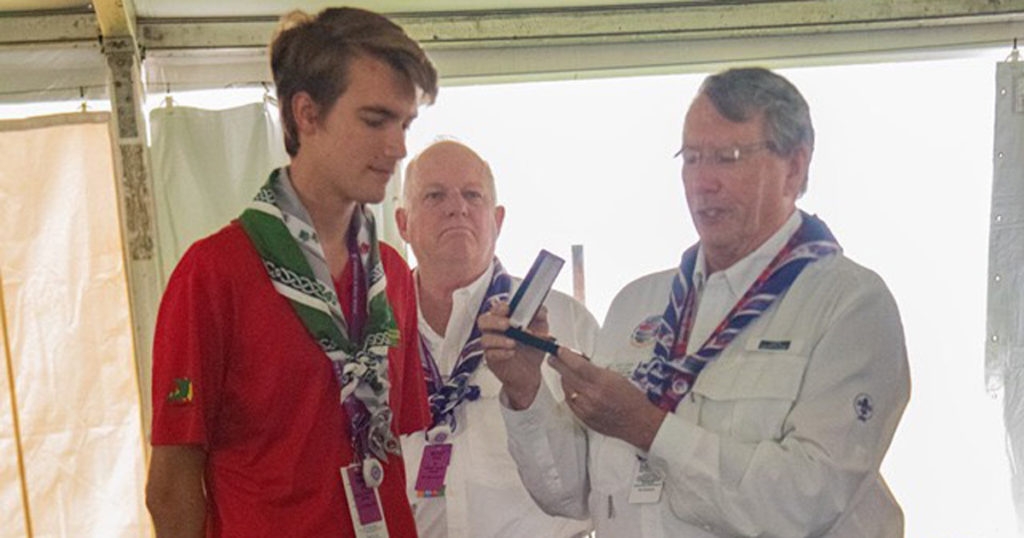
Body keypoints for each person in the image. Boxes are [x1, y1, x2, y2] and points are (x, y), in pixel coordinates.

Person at [480, 67, 911, 537]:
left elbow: (804, 502)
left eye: (727, 157)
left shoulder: (850, 307)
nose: (702, 182)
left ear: (795, 167)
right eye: (691, 158)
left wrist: (649, 428)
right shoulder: (638, 302)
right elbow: (572, 493)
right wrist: (526, 391)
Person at [144, 8, 438, 537]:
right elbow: (171, 485)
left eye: (405, 124)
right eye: (375, 121)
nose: (398, 148)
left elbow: (406, 446)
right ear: (307, 114)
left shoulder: (391, 273)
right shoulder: (213, 275)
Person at [394, 140, 598, 538]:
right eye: (435, 195)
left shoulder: (565, 322)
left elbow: (599, 481)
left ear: (498, 219)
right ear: (403, 223)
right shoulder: (370, 334)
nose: (458, 207)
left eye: (473, 195)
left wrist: (527, 392)